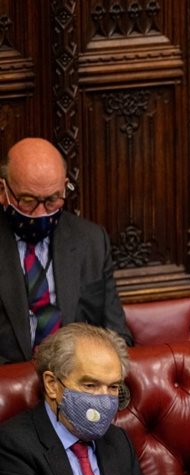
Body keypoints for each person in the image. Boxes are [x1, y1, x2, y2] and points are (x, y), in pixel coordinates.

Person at [0, 323, 164, 475]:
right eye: (90, 386)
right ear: (52, 385)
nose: (103, 399)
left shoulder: (117, 441)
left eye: (112, 387)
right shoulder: (13, 445)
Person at [0, 137, 132, 364]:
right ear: (3, 190)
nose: (41, 212)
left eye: (52, 200)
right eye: (28, 200)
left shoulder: (91, 241)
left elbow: (118, 336)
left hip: (77, 383)